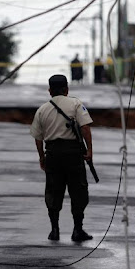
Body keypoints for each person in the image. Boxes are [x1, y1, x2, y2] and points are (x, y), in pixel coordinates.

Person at [30, 74, 94, 242]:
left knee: (53, 191)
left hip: (53, 154)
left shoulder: (42, 110)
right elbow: (85, 128)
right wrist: (90, 151)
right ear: (67, 89)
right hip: (73, 154)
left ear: (49, 91)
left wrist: (41, 157)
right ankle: (77, 230)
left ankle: (55, 230)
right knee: (78, 191)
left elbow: (38, 137)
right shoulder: (76, 104)